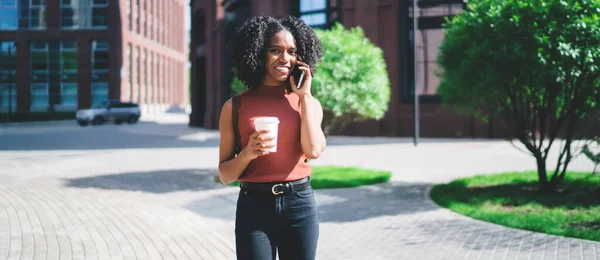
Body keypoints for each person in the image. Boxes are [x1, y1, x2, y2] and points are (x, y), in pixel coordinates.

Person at [217, 15, 326, 260]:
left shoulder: (308, 104)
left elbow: (314, 151)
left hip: (300, 205)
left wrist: (305, 96)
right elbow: (225, 175)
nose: (284, 58)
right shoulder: (234, 107)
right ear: (258, 53)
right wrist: (248, 153)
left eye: (291, 51)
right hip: (253, 206)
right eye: (275, 50)